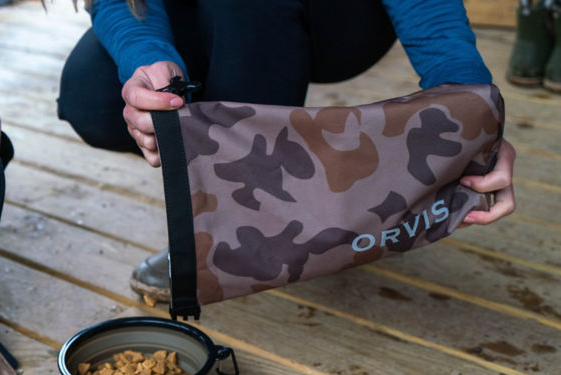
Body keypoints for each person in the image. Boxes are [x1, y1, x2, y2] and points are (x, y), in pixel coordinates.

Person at [57, 0, 517, 303]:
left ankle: (248, 227)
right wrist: (146, 59)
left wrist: (474, 113)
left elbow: (430, 14)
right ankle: (221, 223)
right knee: (92, 96)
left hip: (337, 17)